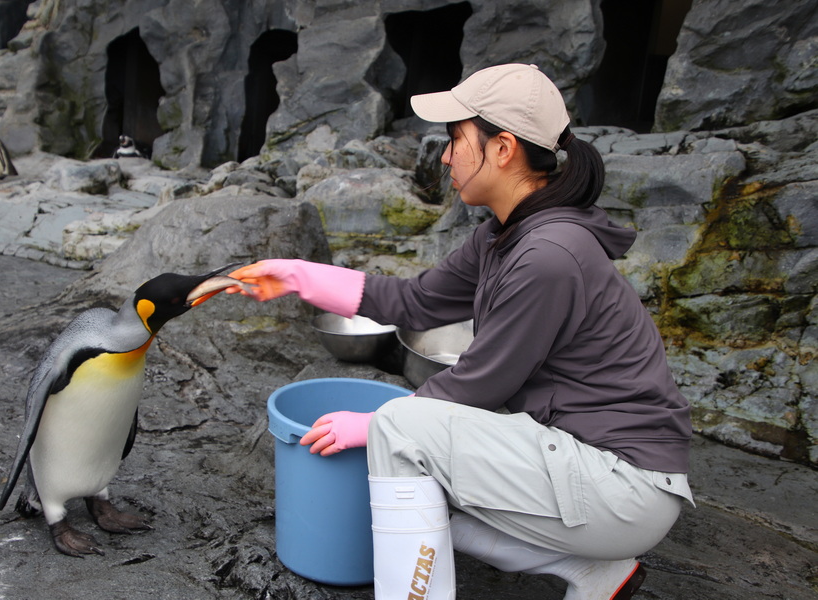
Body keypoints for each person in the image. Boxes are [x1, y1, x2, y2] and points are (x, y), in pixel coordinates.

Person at [227, 63, 694, 600]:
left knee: (401, 434)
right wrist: (296, 276)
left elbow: (478, 384)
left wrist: (377, 426)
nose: (446, 156)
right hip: (583, 465)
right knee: (412, 486)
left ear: (503, 148)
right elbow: (415, 302)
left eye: (455, 139)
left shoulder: (549, 255)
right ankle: (593, 571)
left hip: (624, 487)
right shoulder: (505, 235)